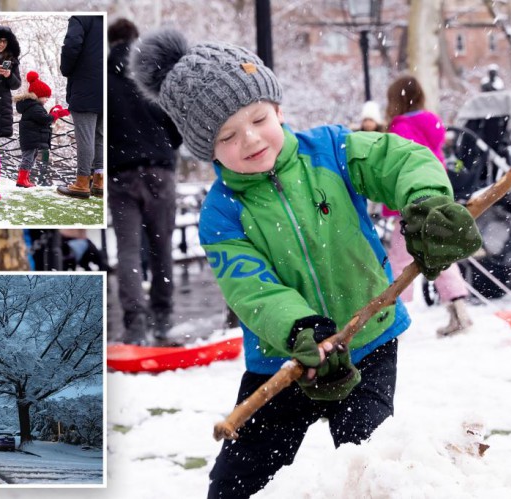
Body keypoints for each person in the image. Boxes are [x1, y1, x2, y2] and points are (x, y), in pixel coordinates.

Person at [130, 30, 482, 498]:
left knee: (369, 465)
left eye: (258, 118)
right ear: (207, 150)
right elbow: (249, 286)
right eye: (227, 135)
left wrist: (427, 205)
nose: (250, 138)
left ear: (278, 109)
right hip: (283, 360)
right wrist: (300, 329)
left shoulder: (334, 151)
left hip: (368, 342)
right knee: (235, 485)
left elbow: (403, 161)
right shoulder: (222, 212)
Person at [107, 18, 183, 345]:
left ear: (110, 42)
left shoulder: (102, 83)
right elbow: (176, 128)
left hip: (121, 172)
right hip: (160, 170)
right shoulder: (151, 75)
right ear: (137, 39)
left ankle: (135, 325)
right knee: (161, 246)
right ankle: (163, 319)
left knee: (127, 251)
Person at [385, 75, 474, 336]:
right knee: (439, 252)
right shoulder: (431, 123)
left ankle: (392, 314)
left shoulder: (400, 128)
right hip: (435, 196)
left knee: (400, 260)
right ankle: (458, 309)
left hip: (412, 201)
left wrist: (391, 204)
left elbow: (396, 169)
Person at [57, 15, 104, 199]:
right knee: (98, 136)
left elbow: (71, 45)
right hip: (104, 86)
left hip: (85, 85)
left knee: (85, 136)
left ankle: (82, 182)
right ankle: (99, 180)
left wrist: (66, 68)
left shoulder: (81, 17)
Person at [14, 71, 68, 188]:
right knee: (28, 159)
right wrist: (55, 115)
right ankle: (21, 179)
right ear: (37, 95)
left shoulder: (34, 107)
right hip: (30, 139)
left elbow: (42, 119)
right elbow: (43, 119)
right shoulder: (34, 107)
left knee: (31, 158)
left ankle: (25, 178)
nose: (47, 99)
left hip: (31, 139)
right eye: (45, 97)